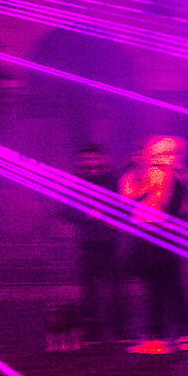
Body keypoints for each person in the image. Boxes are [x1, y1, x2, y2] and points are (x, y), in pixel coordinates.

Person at [121, 135, 188, 354]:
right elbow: (129, 205)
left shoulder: (173, 176)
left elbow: (180, 207)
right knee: (166, 287)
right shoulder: (134, 177)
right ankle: (179, 336)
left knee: (163, 287)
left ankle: (162, 338)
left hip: (160, 236)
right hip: (151, 236)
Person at [65, 144, 125, 350]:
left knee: (116, 289)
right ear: (80, 162)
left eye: (94, 159)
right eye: (86, 159)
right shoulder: (74, 183)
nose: (90, 163)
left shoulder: (114, 181)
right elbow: (65, 211)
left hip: (112, 243)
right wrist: (87, 215)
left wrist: (112, 218)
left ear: (104, 159)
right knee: (89, 291)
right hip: (87, 244)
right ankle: (92, 330)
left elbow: (126, 207)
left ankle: (119, 329)